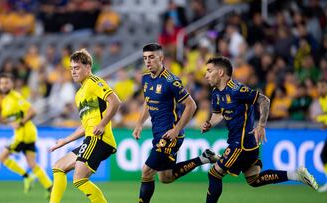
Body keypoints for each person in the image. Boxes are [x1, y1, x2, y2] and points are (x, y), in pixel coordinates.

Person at [201, 56, 319, 203]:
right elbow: (218, 114)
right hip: (246, 144)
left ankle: (216, 159)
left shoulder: (237, 90)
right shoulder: (216, 93)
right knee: (254, 180)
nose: (206, 75)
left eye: (209, 71)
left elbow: (264, 100)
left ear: (220, 73)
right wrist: (210, 124)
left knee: (214, 174)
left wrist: (261, 125)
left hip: (241, 144)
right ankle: (296, 175)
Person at [133, 43, 220, 203]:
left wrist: (176, 129)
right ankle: (203, 158)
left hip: (170, 134)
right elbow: (148, 101)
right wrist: (139, 124)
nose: (148, 61)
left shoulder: (171, 81)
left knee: (146, 171)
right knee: (165, 177)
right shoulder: (145, 78)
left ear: (161, 58)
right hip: (158, 133)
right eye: (145, 58)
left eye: (151, 57)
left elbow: (191, 105)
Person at [49, 49, 121, 203]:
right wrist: (65, 141)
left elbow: (115, 102)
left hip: (99, 139)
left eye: (77, 68)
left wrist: (102, 124)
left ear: (88, 67)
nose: (73, 72)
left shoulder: (94, 82)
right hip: (90, 138)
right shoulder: (79, 94)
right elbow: (85, 125)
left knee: (79, 179)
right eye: (71, 69)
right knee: (58, 166)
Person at [0, 73, 52, 196]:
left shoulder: (16, 97)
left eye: (6, 83)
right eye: (1, 83)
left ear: (12, 84)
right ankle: (50, 187)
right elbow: (7, 120)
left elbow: (32, 111)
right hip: (28, 134)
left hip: (23, 134)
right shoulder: (5, 101)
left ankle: (26, 176)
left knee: (2, 157)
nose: (3, 86)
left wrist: (21, 123)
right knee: (32, 164)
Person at [316, 79, 327, 192]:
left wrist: (321, 119)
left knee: (323, 155)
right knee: (323, 155)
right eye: (319, 87)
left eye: (323, 86)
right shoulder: (321, 99)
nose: (320, 89)